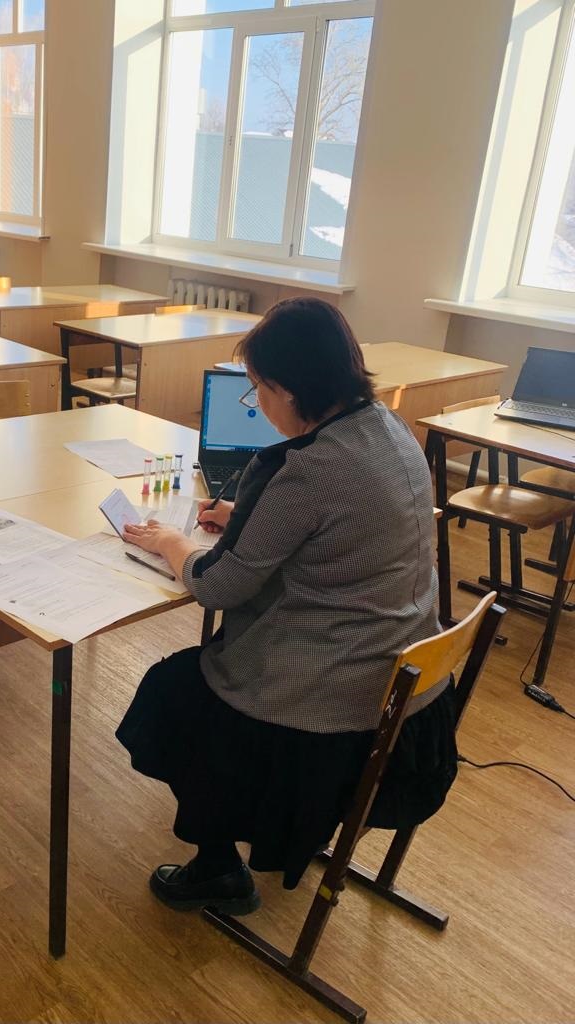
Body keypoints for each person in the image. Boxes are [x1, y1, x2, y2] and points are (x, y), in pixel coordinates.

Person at [117, 297, 455, 915]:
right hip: (412, 691)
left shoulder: (311, 469)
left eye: (258, 390)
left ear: (289, 390)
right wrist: (250, 517)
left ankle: (218, 868)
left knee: (173, 693)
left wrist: (170, 542)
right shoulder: (390, 428)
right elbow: (340, 529)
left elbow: (220, 587)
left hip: (334, 706)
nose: (259, 404)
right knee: (197, 674)